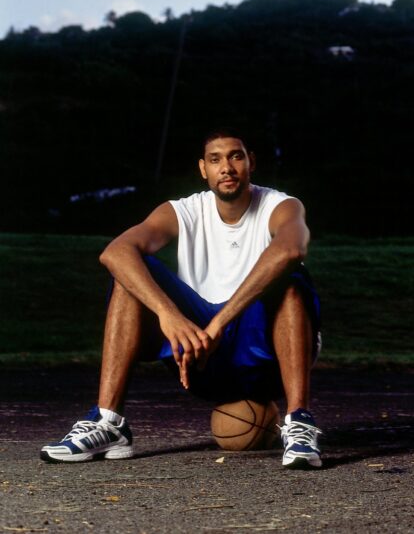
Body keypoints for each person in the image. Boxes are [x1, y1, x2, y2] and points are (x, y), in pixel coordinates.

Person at [40, 130, 323, 469]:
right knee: (129, 274)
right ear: (203, 169)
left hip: (268, 362)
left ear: (251, 162)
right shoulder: (185, 211)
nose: (227, 168)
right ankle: (109, 422)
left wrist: (220, 322)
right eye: (216, 160)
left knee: (290, 279)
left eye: (236, 156)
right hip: (199, 357)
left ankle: (299, 421)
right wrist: (168, 314)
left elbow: (292, 248)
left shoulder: (282, 206)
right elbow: (114, 252)